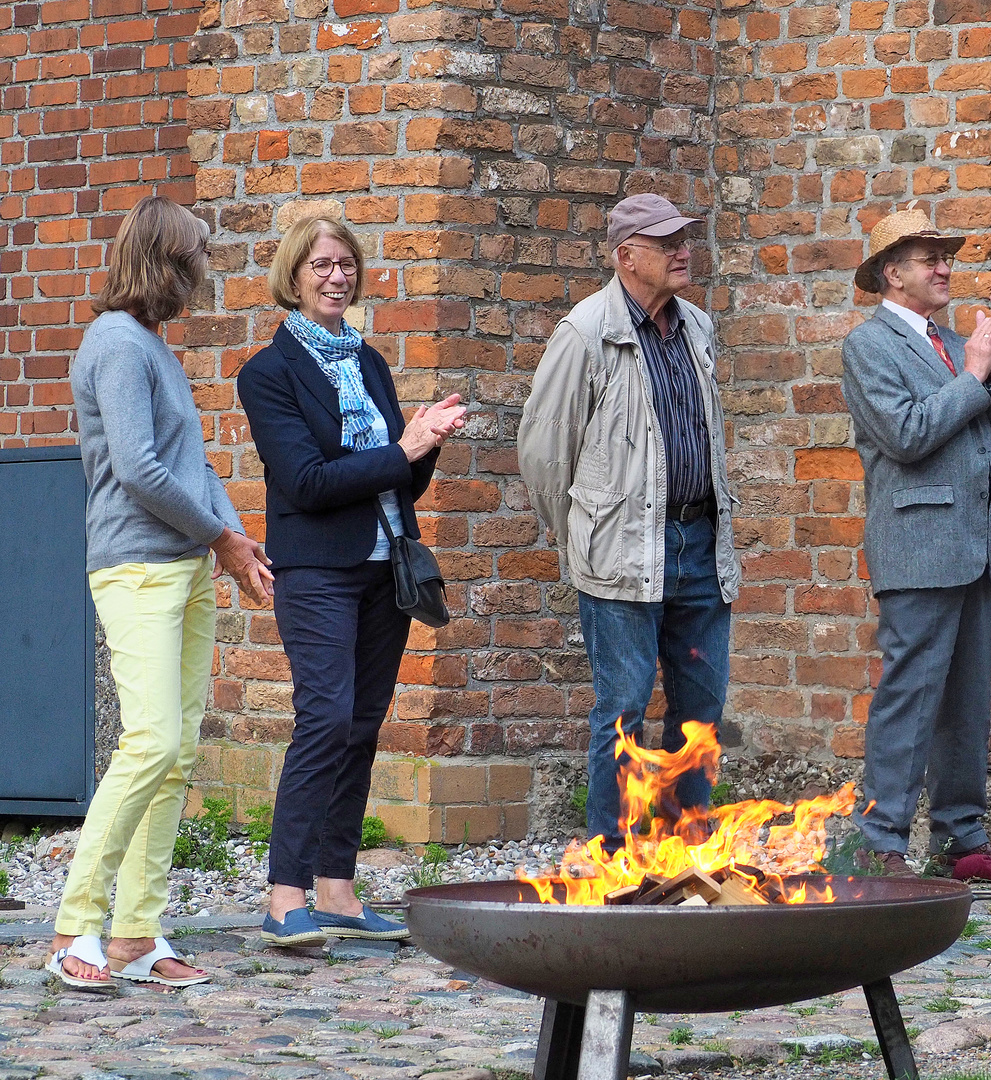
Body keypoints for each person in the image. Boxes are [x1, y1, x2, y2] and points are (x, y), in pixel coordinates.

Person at [50, 196, 274, 990]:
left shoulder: (152, 346)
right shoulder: (115, 343)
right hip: (137, 568)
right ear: (165, 262)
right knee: (147, 742)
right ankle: (77, 924)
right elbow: (142, 471)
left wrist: (238, 544)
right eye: (196, 260)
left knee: (175, 757)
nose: (204, 274)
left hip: (186, 569)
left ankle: (136, 937)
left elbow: (195, 467)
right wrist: (223, 538)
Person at [238, 216, 466, 946]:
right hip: (318, 572)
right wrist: (403, 448)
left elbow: (398, 480)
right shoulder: (267, 374)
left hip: (386, 566)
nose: (337, 277)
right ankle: (283, 896)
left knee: (363, 725)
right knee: (326, 717)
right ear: (294, 276)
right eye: (321, 265)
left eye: (346, 265)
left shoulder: (368, 361)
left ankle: (336, 890)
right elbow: (306, 483)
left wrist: (425, 441)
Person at [517, 193, 740, 851]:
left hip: (699, 543)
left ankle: (683, 853)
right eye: (666, 241)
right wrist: (586, 536)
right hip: (620, 551)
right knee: (622, 710)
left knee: (701, 711)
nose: (682, 250)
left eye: (686, 238)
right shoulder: (585, 333)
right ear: (625, 256)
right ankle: (606, 858)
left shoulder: (697, 326)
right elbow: (543, 454)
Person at [839, 208, 991, 882]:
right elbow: (908, 435)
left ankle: (962, 840)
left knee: (965, 703)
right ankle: (880, 841)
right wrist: (973, 374)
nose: (945, 267)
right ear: (892, 274)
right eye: (928, 258)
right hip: (917, 546)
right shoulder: (869, 346)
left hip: (973, 546)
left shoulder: (955, 343)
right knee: (910, 696)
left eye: (945, 257)